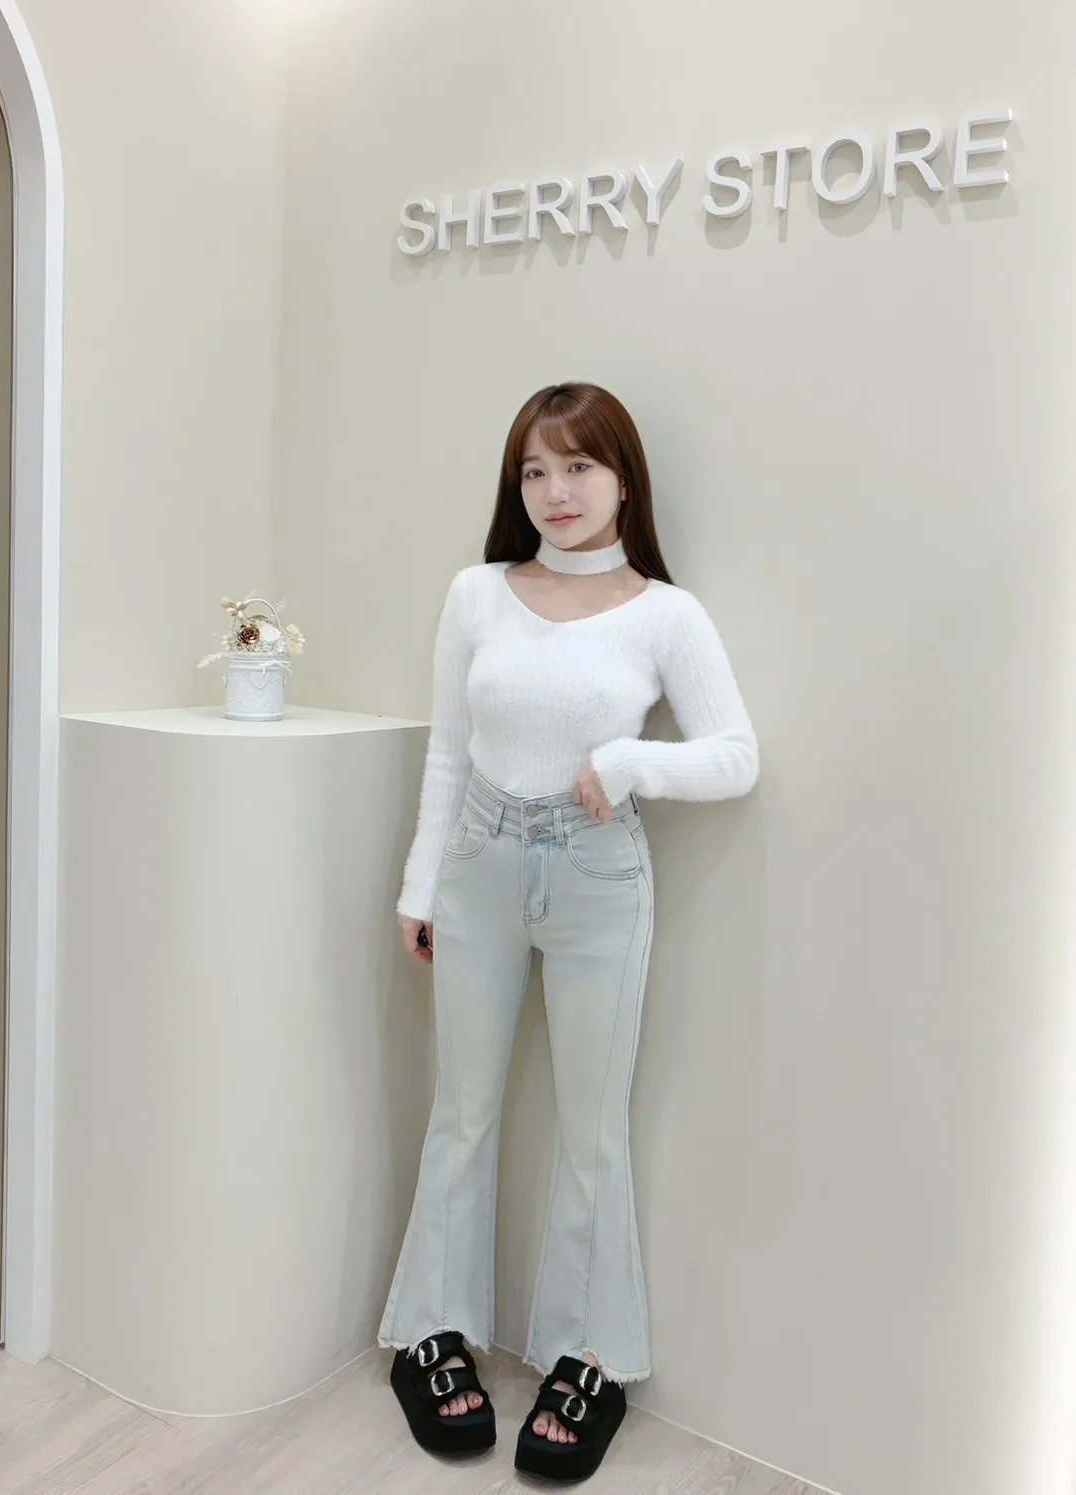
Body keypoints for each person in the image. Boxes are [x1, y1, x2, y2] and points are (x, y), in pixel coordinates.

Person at [379, 382, 759, 1482]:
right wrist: (419, 887)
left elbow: (736, 755)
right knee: (462, 1111)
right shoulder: (478, 594)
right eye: (535, 470)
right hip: (478, 863)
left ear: (623, 479)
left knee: (595, 1129)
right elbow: (448, 750)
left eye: (579, 466)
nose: (555, 490)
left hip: (599, 874)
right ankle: (431, 1332)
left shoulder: (665, 614)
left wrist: (633, 762)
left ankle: (587, 1355)